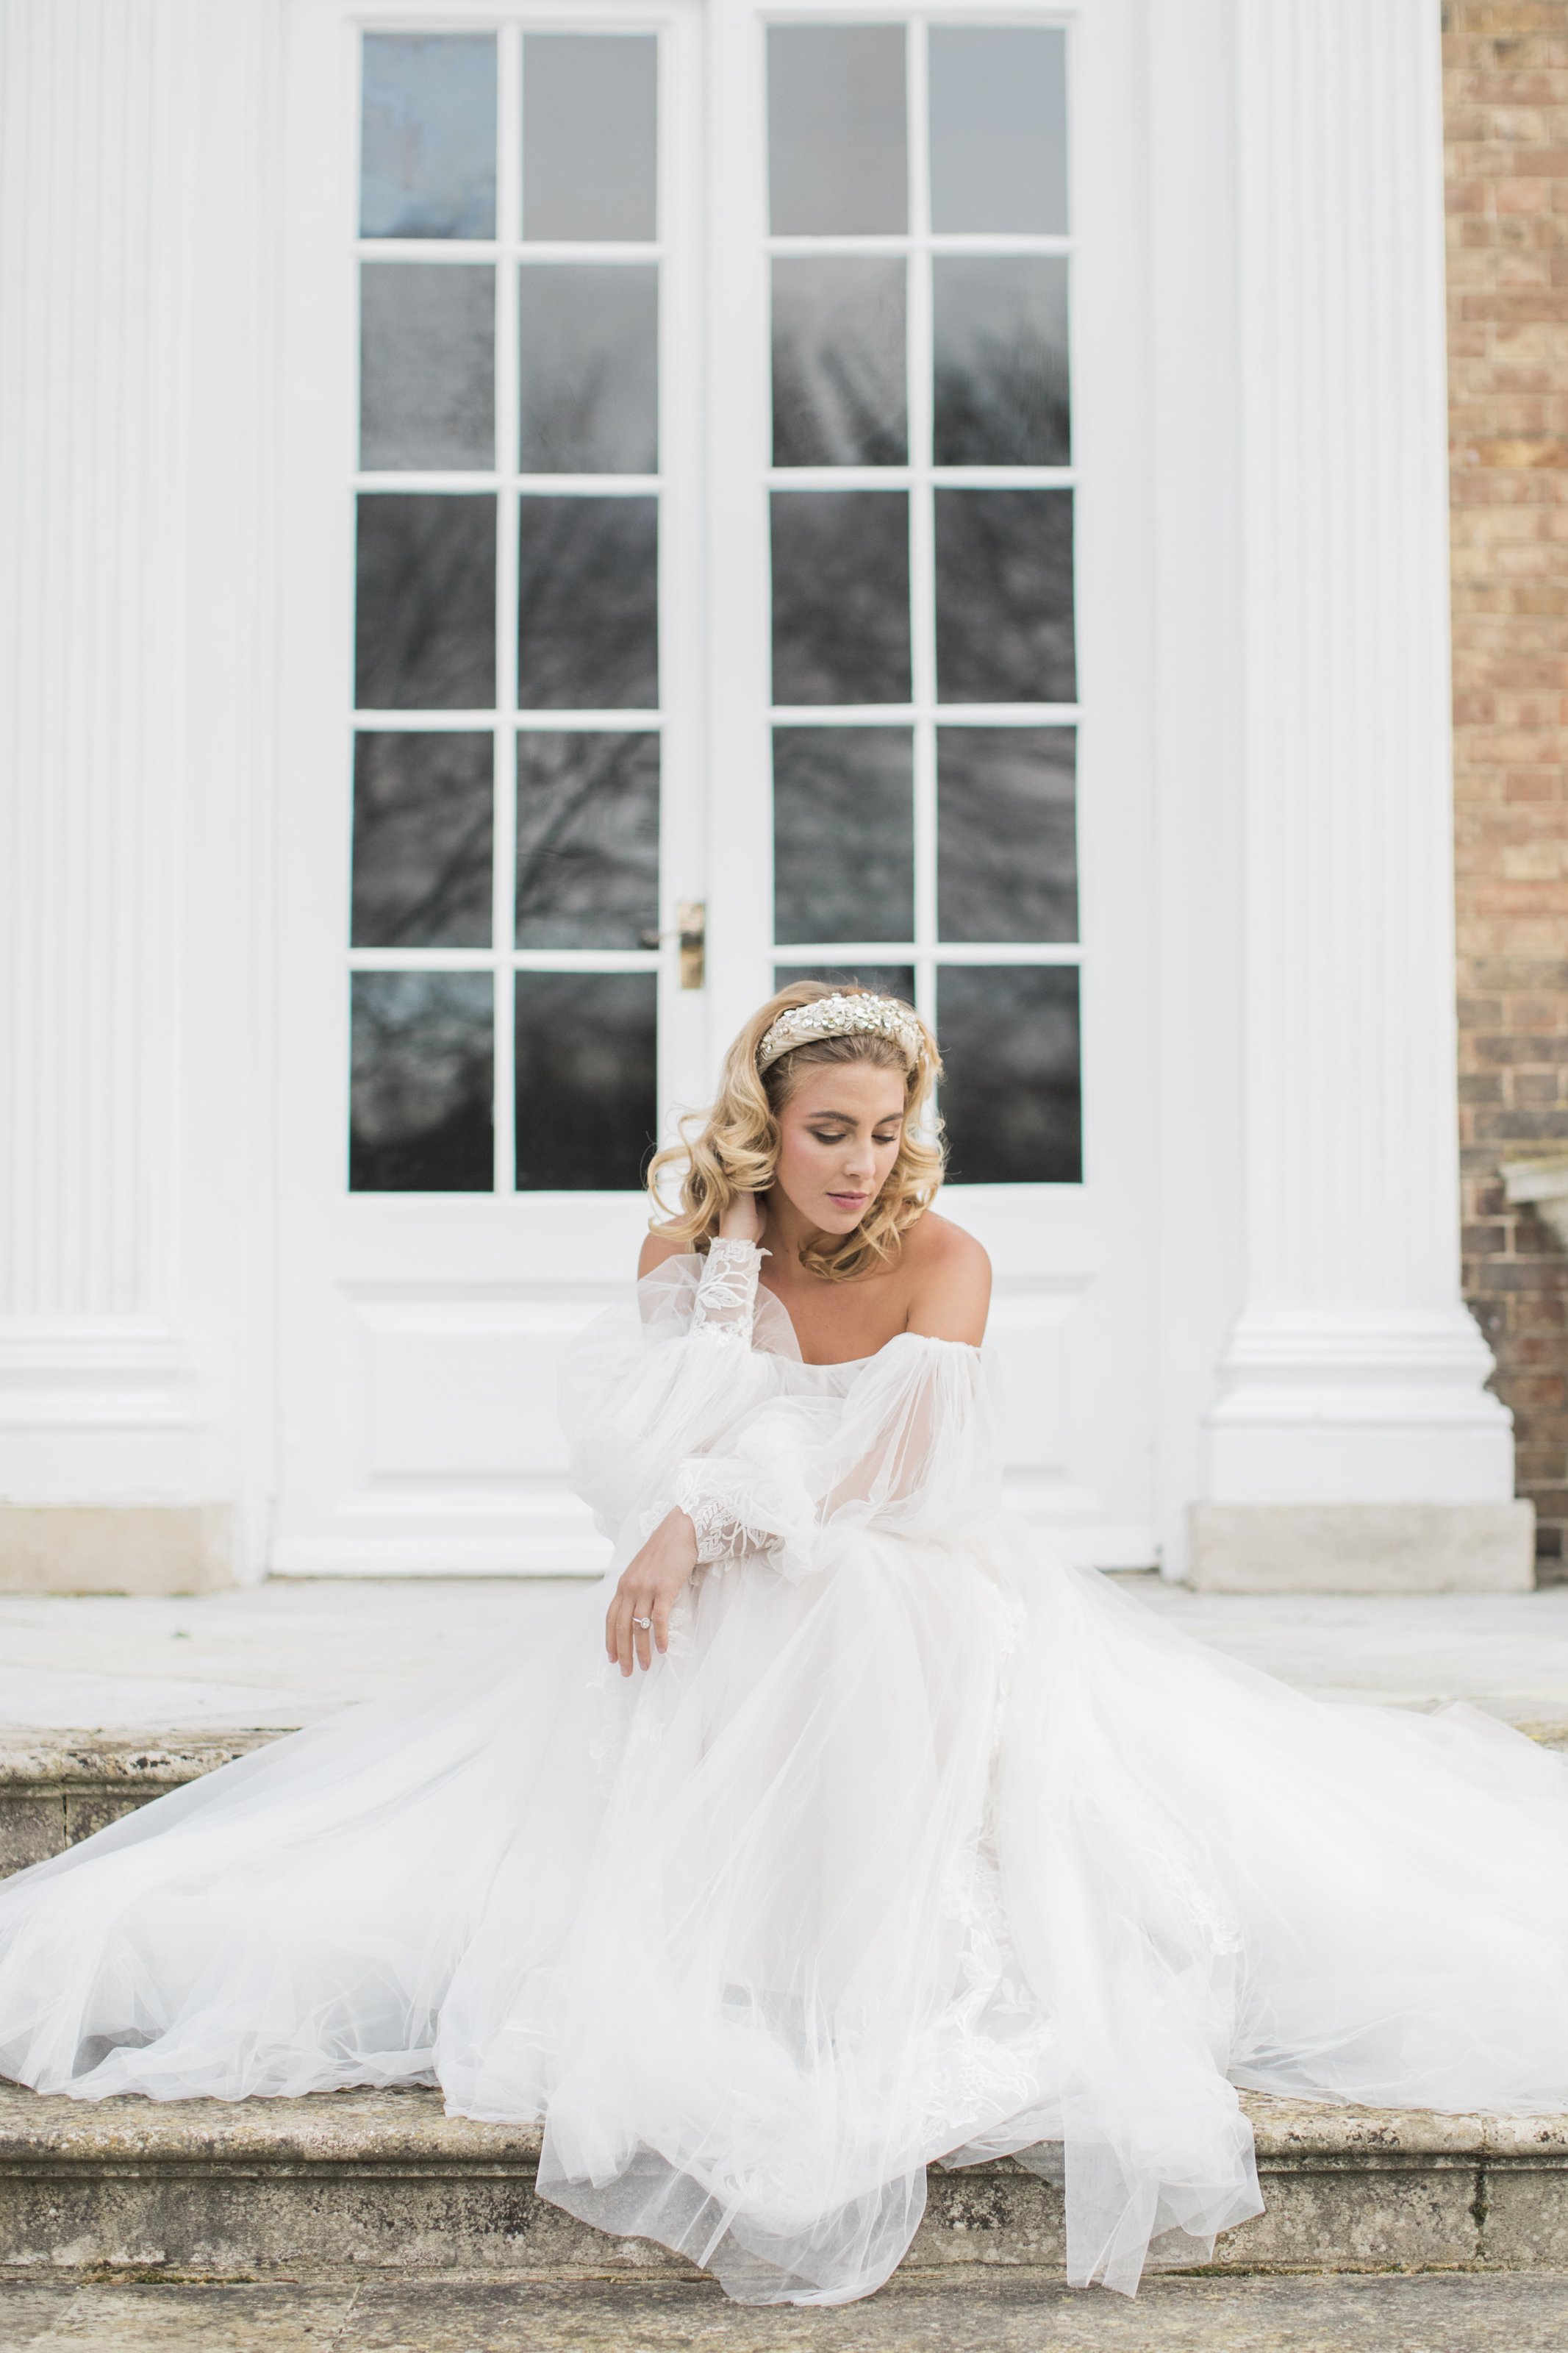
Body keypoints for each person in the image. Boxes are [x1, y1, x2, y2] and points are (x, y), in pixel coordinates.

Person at [2, 979, 1568, 2308]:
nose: (861, 1164)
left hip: (919, 1589)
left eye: (884, 1132)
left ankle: (851, 1962)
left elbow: (886, 1482)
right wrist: (730, 1272)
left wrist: (699, 1524)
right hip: (738, 1600)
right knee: (770, 1608)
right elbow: (634, 1457)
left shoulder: (943, 1259)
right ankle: (744, 1949)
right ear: (763, 1126)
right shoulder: (689, 1257)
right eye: (827, 1132)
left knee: (852, 1593)